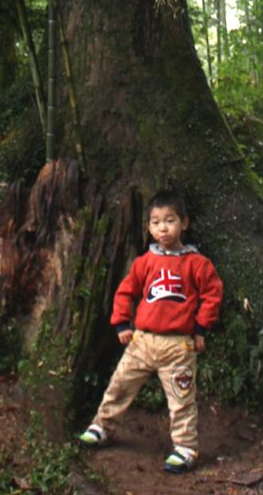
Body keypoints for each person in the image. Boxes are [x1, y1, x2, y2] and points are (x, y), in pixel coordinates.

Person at [78, 188, 223, 473]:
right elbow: (125, 292)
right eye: (156, 222)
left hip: (178, 345)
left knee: (181, 399)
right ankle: (101, 426)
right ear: (149, 227)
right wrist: (121, 323)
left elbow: (212, 295)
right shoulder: (145, 262)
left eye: (170, 220)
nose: (163, 228)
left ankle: (185, 447)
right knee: (120, 385)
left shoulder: (197, 263)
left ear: (184, 223)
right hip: (142, 341)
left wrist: (201, 329)